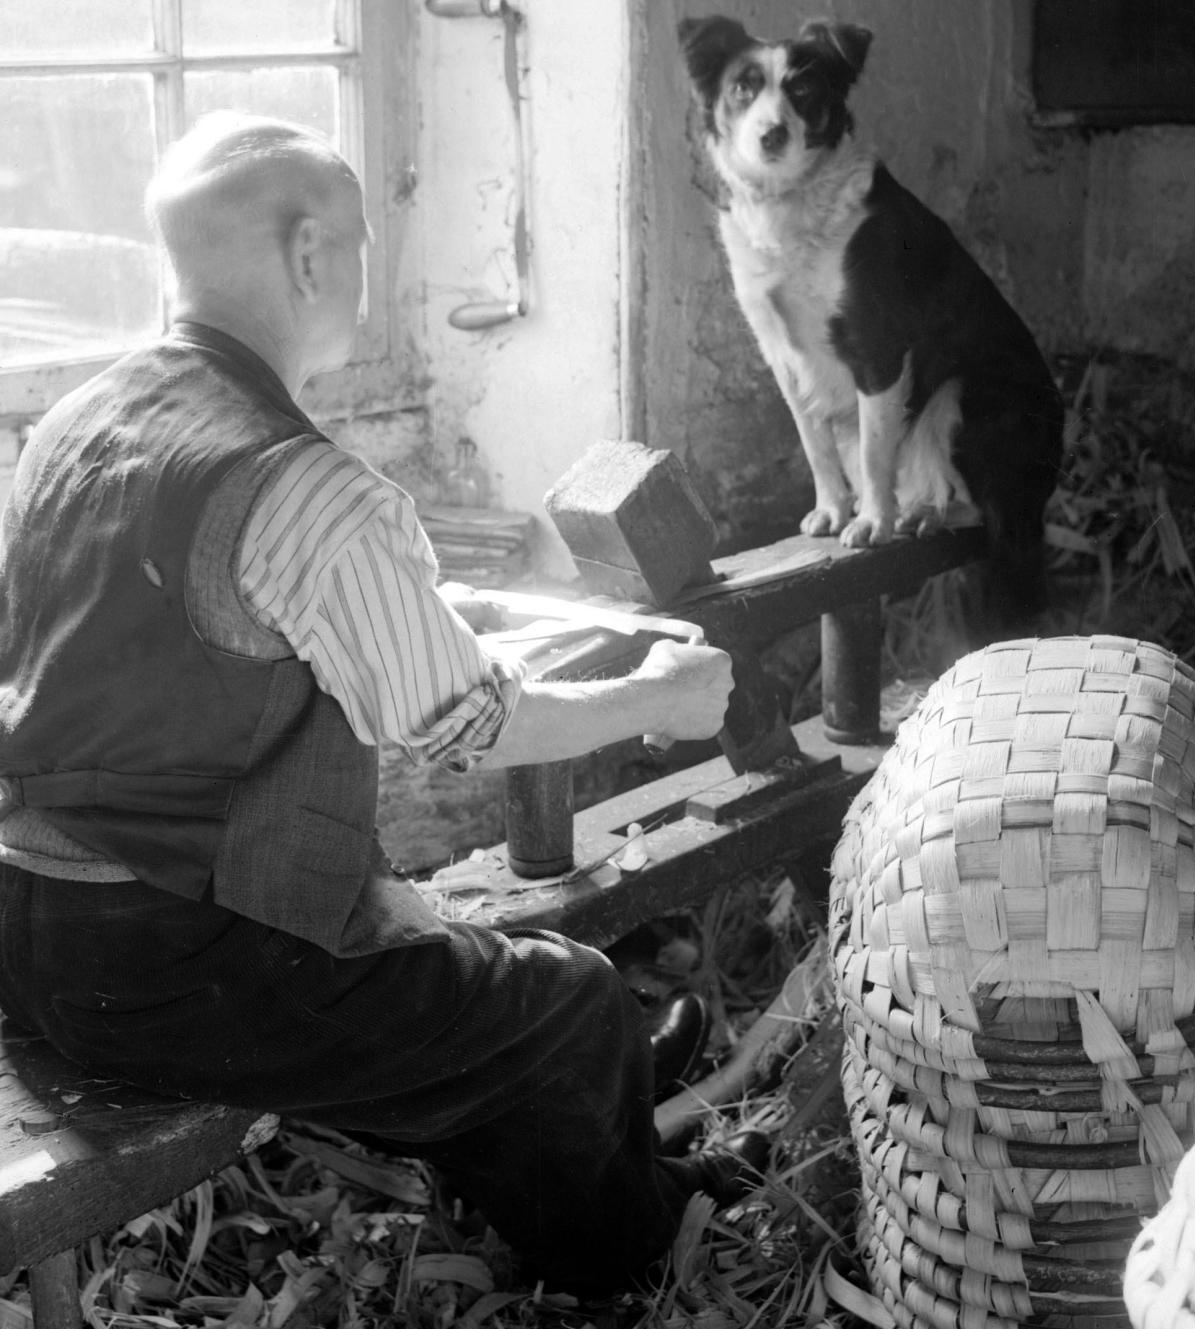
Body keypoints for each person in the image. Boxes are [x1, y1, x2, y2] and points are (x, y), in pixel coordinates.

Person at [0, 113, 765, 1298]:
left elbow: (182, 626)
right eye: (359, 243)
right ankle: (632, 1250)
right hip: (170, 966)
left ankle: (615, 1131)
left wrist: (432, 600)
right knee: (570, 997)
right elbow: (466, 728)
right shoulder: (303, 482)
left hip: (24, 921)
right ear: (310, 256)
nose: (366, 272)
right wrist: (655, 695)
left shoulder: (74, 428)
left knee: (478, 995)